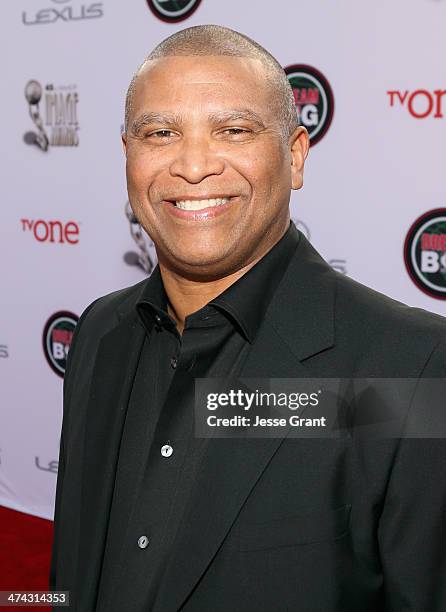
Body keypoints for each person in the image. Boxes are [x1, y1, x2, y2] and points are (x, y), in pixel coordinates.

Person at [49, 24, 446, 612]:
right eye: (160, 133)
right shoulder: (99, 333)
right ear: (128, 154)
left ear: (295, 155)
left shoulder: (411, 369)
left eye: (233, 130)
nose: (193, 166)